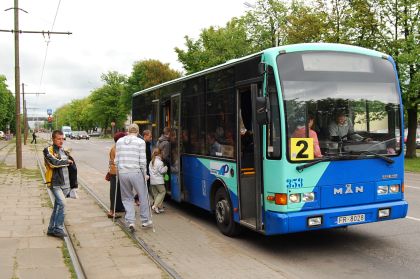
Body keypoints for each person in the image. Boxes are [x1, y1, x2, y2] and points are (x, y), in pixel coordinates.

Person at [115, 123, 152, 231]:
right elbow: (142, 161)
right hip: (136, 172)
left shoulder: (119, 141)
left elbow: (116, 160)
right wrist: (145, 174)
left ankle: (130, 221)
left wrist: (118, 171)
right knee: (143, 195)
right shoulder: (140, 142)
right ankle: (145, 220)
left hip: (123, 173)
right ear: (137, 132)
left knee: (127, 198)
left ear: (128, 131)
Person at [43, 130, 77, 238]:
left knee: (58, 205)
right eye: (59, 139)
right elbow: (53, 163)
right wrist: (67, 161)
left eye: (62, 139)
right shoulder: (47, 150)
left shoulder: (63, 151)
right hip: (54, 182)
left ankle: (51, 229)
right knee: (62, 203)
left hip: (64, 184)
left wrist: (73, 185)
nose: (61, 141)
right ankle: (58, 228)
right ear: (53, 139)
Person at [107, 131, 126, 218]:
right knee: (114, 191)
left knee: (117, 191)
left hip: (114, 171)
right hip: (116, 172)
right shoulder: (118, 149)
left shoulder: (114, 147)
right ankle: (112, 211)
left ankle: (117, 208)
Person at [149, 148, 167, 214]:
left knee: (156, 194)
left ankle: (157, 208)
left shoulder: (151, 162)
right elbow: (162, 171)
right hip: (159, 181)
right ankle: (155, 205)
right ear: (160, 154)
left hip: (152, 181)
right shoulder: (160, 162)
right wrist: (166, 168)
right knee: (163, 192)